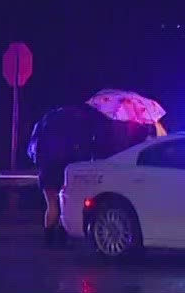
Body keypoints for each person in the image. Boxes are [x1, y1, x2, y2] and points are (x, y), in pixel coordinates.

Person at [28, 104, 158, 246]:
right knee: (65, 203)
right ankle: (61, 237)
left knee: (52, 205)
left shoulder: (45, 124)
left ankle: (49, 238)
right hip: (68, 168)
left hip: (47, 169)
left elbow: (33, 148)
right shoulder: (77, 125)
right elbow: (86, 147)